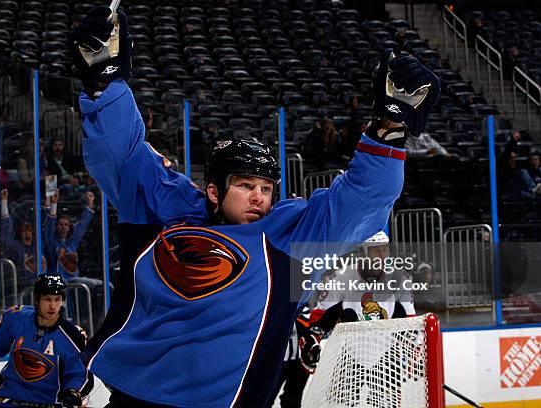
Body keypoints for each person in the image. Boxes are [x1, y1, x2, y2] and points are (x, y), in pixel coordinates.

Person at [68, 7, 439, 407]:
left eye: (265, 187)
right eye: (245, 185)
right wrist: (105, 80)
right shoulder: (163, 208)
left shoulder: (287, 239)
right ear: (212, 191)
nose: (259, 196)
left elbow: (359, 202)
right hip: (132, 400)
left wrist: (388, 129)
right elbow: (120, 153)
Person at [293, 231, 416, 408]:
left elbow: (410, 319)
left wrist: (410, 348)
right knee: (341, 404)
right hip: (348, 354)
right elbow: (320, 319)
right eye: (376, 251)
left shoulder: (400, 278)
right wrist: (313, 337)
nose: (382, 256)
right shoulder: (340, 278)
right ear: (362, 253)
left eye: (385, 250)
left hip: (387, 353)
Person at [0, 275, 93, 408]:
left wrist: (72, 391)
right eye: (47, 299)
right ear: (37, 300)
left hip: (47, 402)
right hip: (6, 398)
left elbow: (79, 373)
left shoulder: (73, 335)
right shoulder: (16, 317)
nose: (52, 306)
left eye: (57, 299)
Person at [0, 188, 47, 289]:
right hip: (25, 287)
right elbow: (6, 230)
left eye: (29, 230)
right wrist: (4, 201)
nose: (27, 233)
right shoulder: (16, 246)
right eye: (24, 230)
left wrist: (50, 199)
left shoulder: (39, 245)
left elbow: (47, 225)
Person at [44, 191, 95, 282]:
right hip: (58, 281)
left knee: (101, 284)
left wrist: (90, 204)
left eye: (66, 225)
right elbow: (49, 226)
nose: (63, 227)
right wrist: (54, 203)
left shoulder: (72, 242)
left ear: (69, 228)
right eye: (60, 224)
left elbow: (82, 226)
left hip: (73, 282)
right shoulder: (52, 241)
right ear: (56, 227)